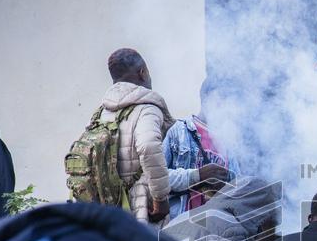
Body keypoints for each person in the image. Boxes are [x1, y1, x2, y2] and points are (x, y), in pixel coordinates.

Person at [98, 48, 228, 227]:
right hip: (142, 211)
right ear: (143, 73)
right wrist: (160, 198)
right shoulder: (146, 110)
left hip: (113, 211)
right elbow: (149, 148)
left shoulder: (103, 114)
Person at [163, 78, 241, 220]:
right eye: (221, 101)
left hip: (218, 228)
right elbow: (158, 179)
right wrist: (197, 175)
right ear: (205, 98)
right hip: (182, 226)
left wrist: (225, 185)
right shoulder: (179, 131)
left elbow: (239, 189)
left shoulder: (228, 142)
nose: (226, 108)